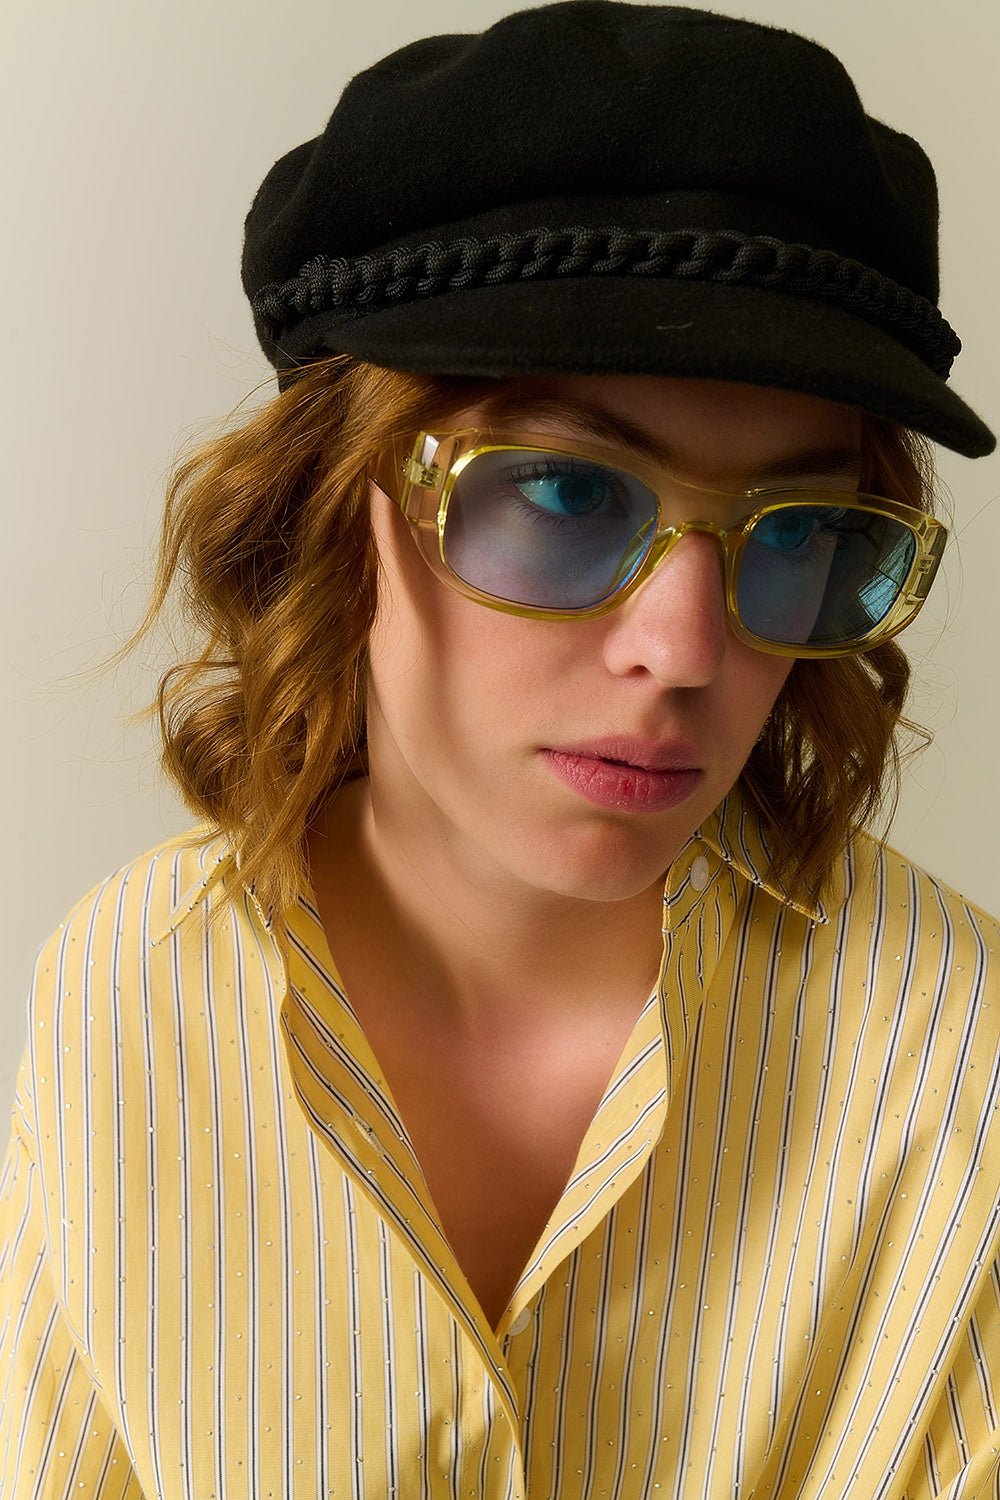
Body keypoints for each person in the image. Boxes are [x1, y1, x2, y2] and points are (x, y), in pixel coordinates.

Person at [1, 3, 998, 1496]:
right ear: (339, 505)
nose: (686, 648)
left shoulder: (956, 1052)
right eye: (566, 493)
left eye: (795, 531)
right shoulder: (132, 987)